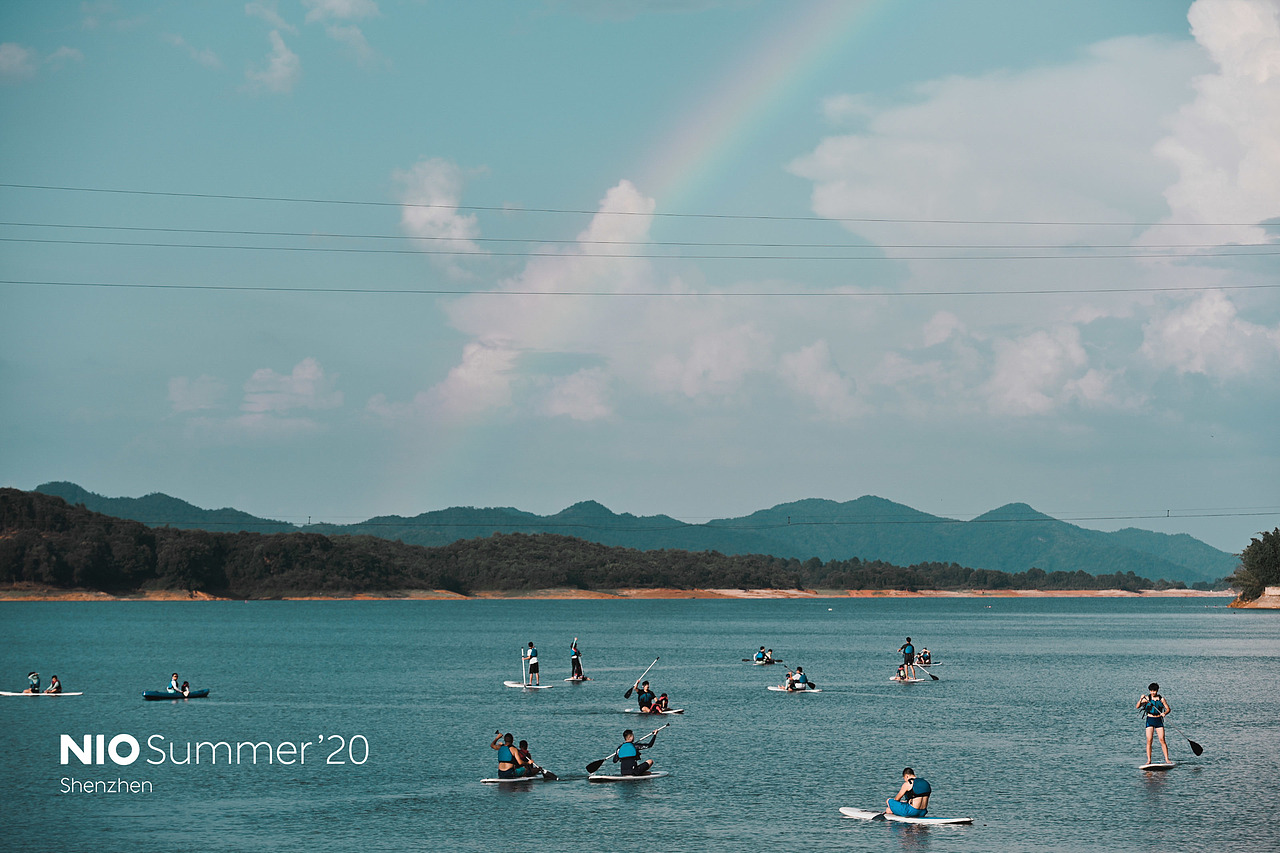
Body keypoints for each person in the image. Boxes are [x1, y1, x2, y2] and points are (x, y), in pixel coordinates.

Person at [1137, 682, 1172, 764]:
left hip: (1159, 720)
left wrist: (1165, 713)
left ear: (1157, 691)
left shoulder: (1162, 699)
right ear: (1149, 691)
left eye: (1154, 691)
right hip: (1150, 720)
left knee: (1162, 739)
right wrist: (1140, 699)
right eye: (1151, 691)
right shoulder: (1147, 699)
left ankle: (1167, 759)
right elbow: (1137, 706)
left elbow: (1168, 709)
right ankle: (1149, 760)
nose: (1153, 692)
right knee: (1149, 740)